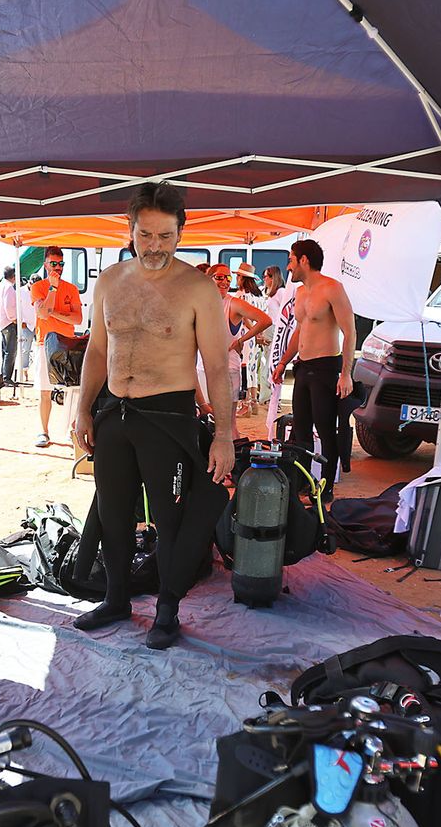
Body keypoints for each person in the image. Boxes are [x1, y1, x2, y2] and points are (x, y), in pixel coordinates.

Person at [71, 182, 235, 649]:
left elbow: (218, 367)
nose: (155, 247)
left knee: (172, 519)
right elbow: (97, 351)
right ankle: (116, 598)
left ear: (180, 233)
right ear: (131, 230)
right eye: (146, 235)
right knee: (113, 512)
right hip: (114, 413)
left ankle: (167, 609)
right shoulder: (109, 281)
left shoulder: (198, 288)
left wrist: (224, 434)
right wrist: (83, 409)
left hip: (168, 417)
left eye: (165, 236)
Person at [269, 239, 355, 500]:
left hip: (326, 367)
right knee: (301, 428)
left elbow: (350, 332)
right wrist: (283, 362)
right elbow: (299, 330)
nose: (288, 267)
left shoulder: (332, 288)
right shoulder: (300, 292)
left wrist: (346, 373)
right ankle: (304, 481)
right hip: (303, 368)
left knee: (326, 428)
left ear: (304, 260)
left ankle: (326, 487)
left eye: (291, 260)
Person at [30, 247, 83, 447]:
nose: (58, 268)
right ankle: (44, 431)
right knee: (44, 391)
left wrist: (52, 312)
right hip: (45, 343)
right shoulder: (39, 287)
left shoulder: (71, 289)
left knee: (72, 391)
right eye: (53, 263)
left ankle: (72, 430)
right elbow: (42, 314)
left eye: (61, 264)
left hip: (67, 344)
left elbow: (77, 318)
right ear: (45, 264)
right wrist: (52, 289)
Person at [209, 262, 271, 419]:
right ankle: (252, 403)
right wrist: (257, 335)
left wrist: (246, 336)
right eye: (220, 277)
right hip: (248, 340)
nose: (227, 281)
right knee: (252, 371)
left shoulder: (240, 296)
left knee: (249, 371)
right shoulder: (258, 295)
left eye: (230, 277)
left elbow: (251, 318)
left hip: (239, 343)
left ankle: (248, 405)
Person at [262, 264, 297, 440]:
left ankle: (272, 401)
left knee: (269, 364)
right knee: (266, 366)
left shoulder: (282, 292)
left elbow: (287, 314)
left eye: (267, 276)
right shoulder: (271, 293)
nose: (264, 278)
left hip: (278, 330)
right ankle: (269, 399)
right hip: (272, 330)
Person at [0, 264, 19, 382]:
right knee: (11, 351)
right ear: (13, 276)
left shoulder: (0, 286)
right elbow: (8, 305)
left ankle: (3, 376)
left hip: (2, 322)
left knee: (5, 350)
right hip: (9, 322)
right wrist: (14, 318)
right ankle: (6, 378)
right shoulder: (9, 287)